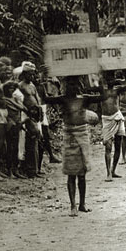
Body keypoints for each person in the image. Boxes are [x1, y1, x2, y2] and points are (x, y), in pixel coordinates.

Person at [44, 76, 102, 216]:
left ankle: (82, 204)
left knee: (81, 174)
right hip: (69, 136)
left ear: (80, 86)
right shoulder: (63, 99)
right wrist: (44, 81)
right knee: (71, 174)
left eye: (75, 83)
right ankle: (73, 205)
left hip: (82, 135)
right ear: (65, 86)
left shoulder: (85, 98)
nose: (72, 86)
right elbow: (45, 99)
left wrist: (99, 80)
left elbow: (102, 96)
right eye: (69, 83)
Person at [100, 72, 126, 181]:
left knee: (118, 145)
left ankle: (113, 171)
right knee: (108, 146)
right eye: (109, 79)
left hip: (117, 116)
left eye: (112, 79)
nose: (111, 81)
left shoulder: (118, 89)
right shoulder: (101, 90)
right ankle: (108, 173)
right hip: (107, 119)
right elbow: (88, 88)